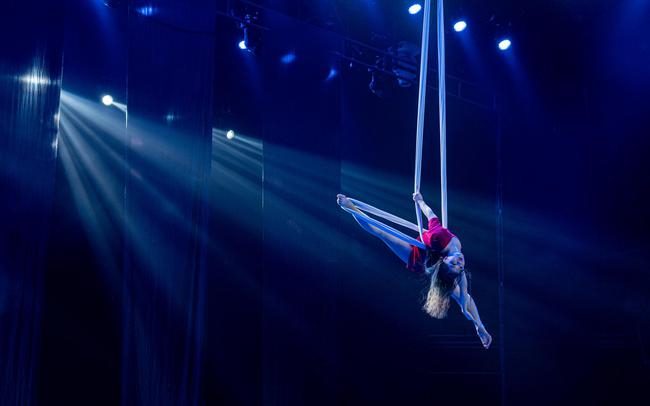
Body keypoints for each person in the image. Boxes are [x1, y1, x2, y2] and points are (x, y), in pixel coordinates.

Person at [337, 192, 492, 349]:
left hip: (420, 259)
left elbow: (466, 300)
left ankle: (349, 208)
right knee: (383, 233)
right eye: (460, 265)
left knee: (382, 233)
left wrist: (478, 324)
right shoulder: (452, 254)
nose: (460, 262)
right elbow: (430, 214)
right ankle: (351, 207)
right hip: (429, 248)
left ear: (446, 260)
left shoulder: (440, 239)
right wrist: (420, 201)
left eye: (455, 264)